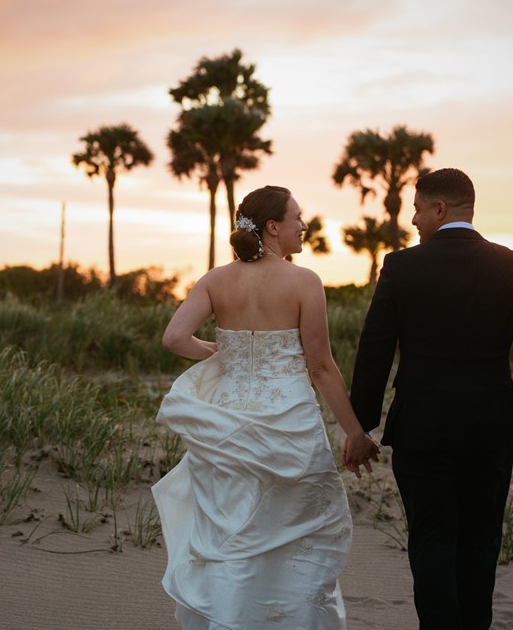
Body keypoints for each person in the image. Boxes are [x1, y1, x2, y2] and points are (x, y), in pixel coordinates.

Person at [152, 185, 380, 629]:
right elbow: (320, 366)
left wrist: (220, 354)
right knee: (297, 536)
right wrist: (354, 433)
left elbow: (173, 338)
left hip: (226, 424)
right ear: (273, 227)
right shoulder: (305, 281)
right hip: (289, 424)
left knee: (233, 534)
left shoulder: (215, 280)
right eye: (297, 217)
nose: (304, 225)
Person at [346, 168, 513, 630]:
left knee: (431, 540)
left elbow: (374, 350)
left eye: (418, 210)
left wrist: (361, 425)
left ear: (440, 209)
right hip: (490, 428)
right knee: (481, 539)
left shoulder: (402, 267)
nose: (414, 220)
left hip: (422, 428)